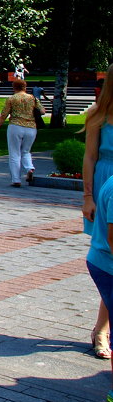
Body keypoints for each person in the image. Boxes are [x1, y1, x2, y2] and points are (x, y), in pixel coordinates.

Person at [84, 65, 113, 362]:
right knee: (107, 259)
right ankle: (102, 330)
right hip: (106, 185)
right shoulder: (99, 115)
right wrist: (88, 197)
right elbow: (90, 156)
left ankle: (101, 327)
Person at [0, 79, 45, 187]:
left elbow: (4, 115)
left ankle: (16, 179)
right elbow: (43, 111)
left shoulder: (11, 99)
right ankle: (29, 168)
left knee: (14, 153)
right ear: (25, 87)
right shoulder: (33, 98)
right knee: (26, 151)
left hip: (15, 127)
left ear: (14, 87)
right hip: (31, 128)